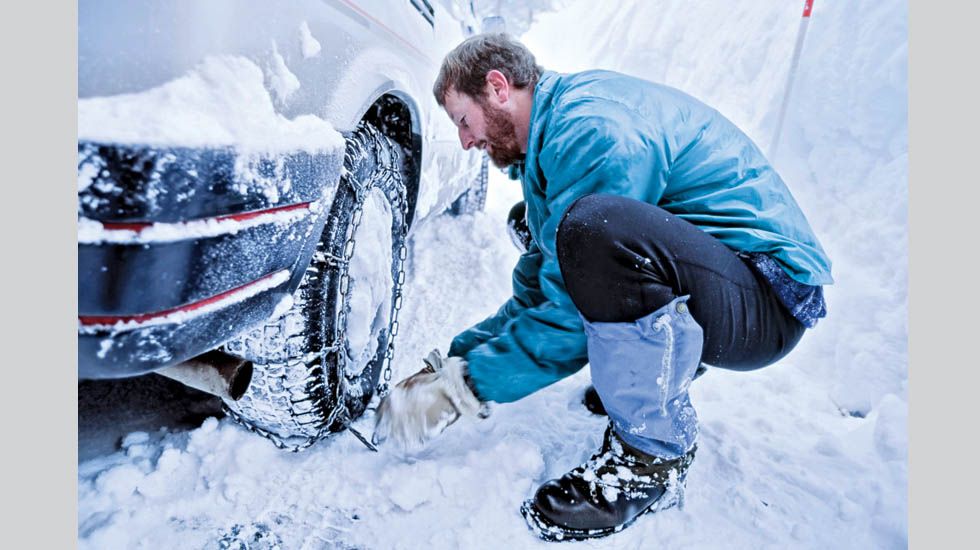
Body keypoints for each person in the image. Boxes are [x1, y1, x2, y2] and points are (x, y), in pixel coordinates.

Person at [373, 33, 832, 541]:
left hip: (766, 299)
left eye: (463, 120)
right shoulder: (553, 140)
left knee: (593, 232)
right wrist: (456, 361)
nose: (465, 141)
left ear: (498, 87)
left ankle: (651, 458)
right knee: (550, 228)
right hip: (727, 282)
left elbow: (569, 311)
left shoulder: (592, 129)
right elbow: (539, 290)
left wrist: (465, 389)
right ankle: (649, 367)